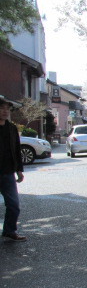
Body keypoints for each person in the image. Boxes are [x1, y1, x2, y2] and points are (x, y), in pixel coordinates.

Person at [0, 97, 26, 242]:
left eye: (7, 109)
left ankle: (9, 230)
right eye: (2, 108)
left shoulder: (11, 128)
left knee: (14, 205)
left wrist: (19, 170)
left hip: (8, 172)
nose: (5, 112)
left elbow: (17, 150)